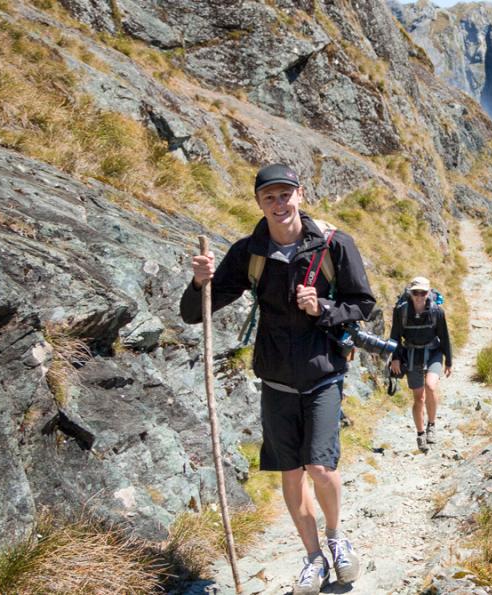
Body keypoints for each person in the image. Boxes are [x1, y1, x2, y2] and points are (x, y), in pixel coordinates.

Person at [180, 164, 373, 594]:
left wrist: (322, 309)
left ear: (300, 195)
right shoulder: (250, 252)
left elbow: (363, 304)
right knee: (290, 475)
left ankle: (337, 537)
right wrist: (199, 283)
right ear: (259, 203)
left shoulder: (332, 245)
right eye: (270, 197)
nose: (279, 203)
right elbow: (195, 313)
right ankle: (313, 558)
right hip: (276, 380)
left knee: (321, 468)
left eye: (286, 194)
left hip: (323, 374)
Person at [389, 277, 453, 452]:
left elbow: (444, 336)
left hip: (433, 352)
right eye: (415, 292)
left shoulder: (436, 312)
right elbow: (394, 335)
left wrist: (449, 361)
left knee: (430, 386)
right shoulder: (401, 311)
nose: (419, 296)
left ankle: (432, 425)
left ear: (428, 292)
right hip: (412, 354)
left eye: (423, 292)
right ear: (410, 293)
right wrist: (395, 358)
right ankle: (420, 434)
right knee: (419, 398)